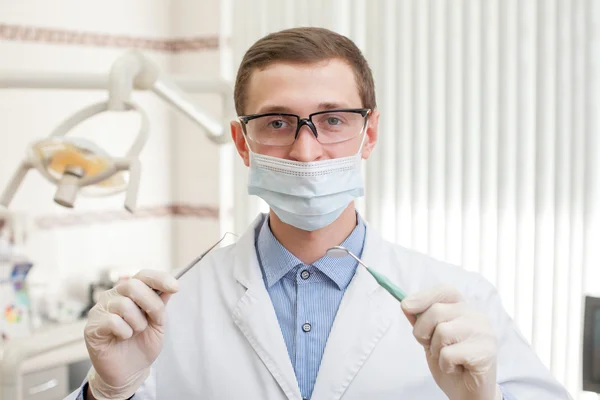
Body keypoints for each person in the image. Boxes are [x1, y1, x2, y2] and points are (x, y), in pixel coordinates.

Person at [67, 27, 571, 400]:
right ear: (243, 142)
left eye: (332, 120)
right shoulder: (164, 313)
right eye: (279, 122)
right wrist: (108, 391)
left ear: (368, 134)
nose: (307, 153)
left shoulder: (466, 304)